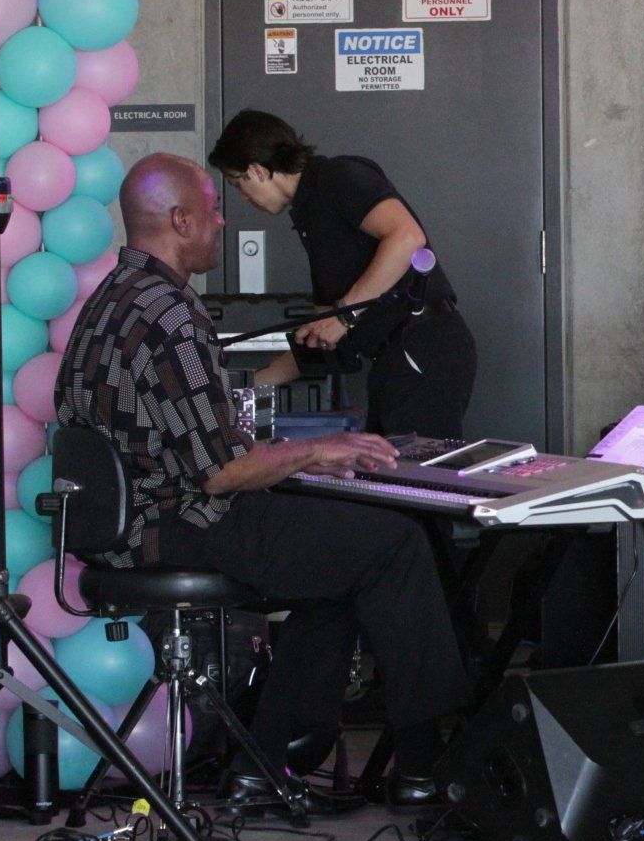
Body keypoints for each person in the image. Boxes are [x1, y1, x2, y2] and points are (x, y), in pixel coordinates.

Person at [55, 153, 468, 808]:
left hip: (126, 530)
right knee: (395, 545)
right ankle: (428, 766)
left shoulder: (108, 302)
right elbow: (219, 475)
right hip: (184, 528)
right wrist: (314, 452)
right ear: (181, 219)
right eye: (213, 212)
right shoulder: (170, 316)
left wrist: (301, 456)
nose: (223, 222)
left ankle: (265, 762)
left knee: (339, 560)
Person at [208, 110, 477, 438]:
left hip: (424, 345)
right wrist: (253, 386)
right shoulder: (309, 217)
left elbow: (407, 237)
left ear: (258, 170)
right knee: (387, 474)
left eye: (239, 184)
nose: (243, 197)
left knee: (418, 477)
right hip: (388, 360)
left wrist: (344, 318)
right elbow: (323, 337)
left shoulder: (338, 176)